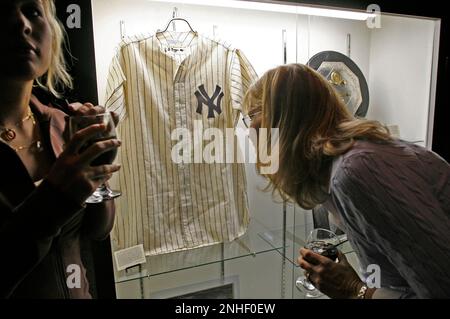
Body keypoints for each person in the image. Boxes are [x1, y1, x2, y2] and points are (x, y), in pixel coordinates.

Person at [243, 63, 450, 299]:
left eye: (253, 115)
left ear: (287, 118)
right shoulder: (346, 164)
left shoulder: (356, 170)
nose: (249, 128)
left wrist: (355, 290)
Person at [0, 0, 121, 298]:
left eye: (32, 11)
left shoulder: (61, 124)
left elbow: (97, 231)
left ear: (53, 35)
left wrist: (97, 172)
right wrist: (55, 198)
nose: (23, 24)